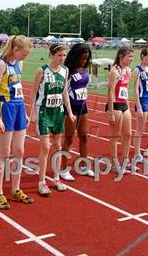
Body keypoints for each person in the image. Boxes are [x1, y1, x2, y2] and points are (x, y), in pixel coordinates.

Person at [0, 35, 34, 209]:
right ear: (15, 50)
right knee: (4, 151)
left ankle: (15, 189)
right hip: (5, 107)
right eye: (24, 53)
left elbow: (19, 88)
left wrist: (24, 111)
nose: (26, 57)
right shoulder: (1, 64)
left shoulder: (19, 64)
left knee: (19, 150)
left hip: (18, 107)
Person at [29, 44, 76, 196]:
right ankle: (42, 182)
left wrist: (69, 112)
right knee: (45, 147)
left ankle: (56, 178)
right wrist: (33, 112)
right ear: (51, 55)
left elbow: (64, 93)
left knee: (57, 146)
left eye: (64, 55)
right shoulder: (41, 71)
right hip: (44, 112)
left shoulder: (65, 70)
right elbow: (33, 92)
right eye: (59, 55)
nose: (62, 58)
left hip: (58, 113)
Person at [60, 43, 94, 181]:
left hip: (82, 106)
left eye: (86, 58)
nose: (84, 61)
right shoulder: (68, 69)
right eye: (81, 58)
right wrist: (68, 109)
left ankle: (84, 166)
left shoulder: (85, 68)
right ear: (75, 56)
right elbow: (64, 90)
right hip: (70, 107)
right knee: (69, 137)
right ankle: (63, 169)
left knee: (84, 136)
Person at [106, 47, 134, 172]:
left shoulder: (128, 70)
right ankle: (114, 164)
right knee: (115, 136)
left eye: (132, 57)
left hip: (124, 104)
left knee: (128, 134)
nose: (131, 59)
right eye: (129, 57)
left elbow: (125, 89)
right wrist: (111, 112)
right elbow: (110, 92)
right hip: (115, 105)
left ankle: (126, 160)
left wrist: (128, 105)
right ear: (122, 56)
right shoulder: (114, 71)